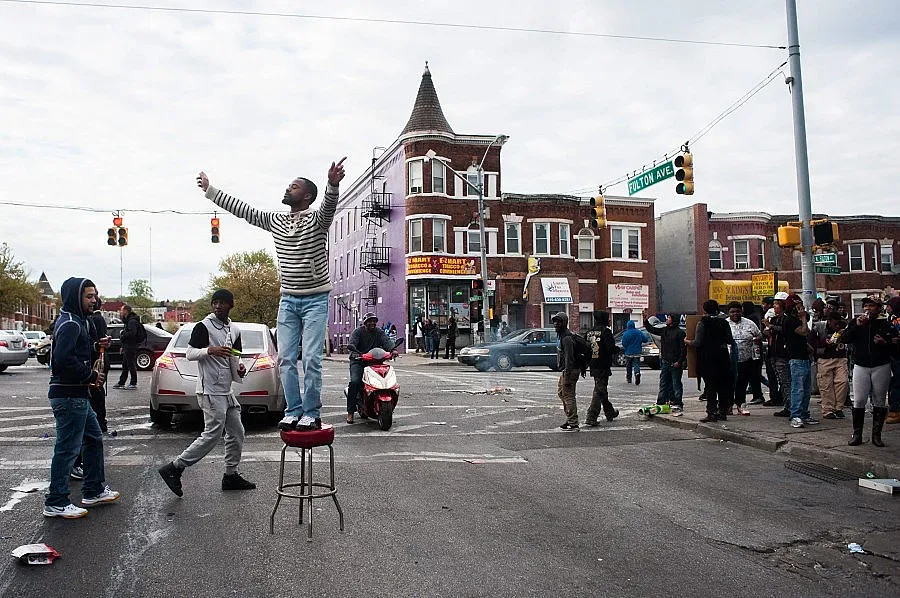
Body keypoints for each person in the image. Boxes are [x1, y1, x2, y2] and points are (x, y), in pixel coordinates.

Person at [197, 158, 346, 431]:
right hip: (288, 299)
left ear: (307, 196)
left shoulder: (317, 220)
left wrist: (332, 185)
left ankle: (311, 413)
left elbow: (328, 208)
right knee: (286, 359)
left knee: (311, 358)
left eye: (294, 187)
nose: (288, 189)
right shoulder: (275, 220)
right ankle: (293, 411)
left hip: (315, 299)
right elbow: (245, 211)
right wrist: (211, 191)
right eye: (289, 185)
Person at [158, 289, 255, 497]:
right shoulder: (204, 327)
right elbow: (190, 353)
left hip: (226, 391)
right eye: (215, 302)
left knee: (237, 432)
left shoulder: (234, 329)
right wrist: (210, 350)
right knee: (212, 435)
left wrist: (239, 369)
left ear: (231, 305)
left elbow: (235, 356)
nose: (218, 306)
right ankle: (175, 468)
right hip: (209, 391)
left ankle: (230, 475)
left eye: (222, 303)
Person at [44, 278, 120, 519]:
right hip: (68, 396)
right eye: (88, 296)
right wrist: (90, 374)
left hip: (77, 395)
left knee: (93, 438)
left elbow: (75, 352)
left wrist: (97, 344)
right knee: (67, 449)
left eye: (94, 295)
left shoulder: (77, 322)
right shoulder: (70, 324)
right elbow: (62, 360)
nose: (94, 300)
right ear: (75, 297)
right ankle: (56, 501)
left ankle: (94, 489)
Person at [839, 297, 898, 447]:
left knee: (879, 400)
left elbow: (896, 345)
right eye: (866, 306)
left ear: (878, 308)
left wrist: (885, 343)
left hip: (881, 365)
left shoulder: (886, 324)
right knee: (859, 400)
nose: (868, 308)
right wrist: (856, 326)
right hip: (861, 365)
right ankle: (857, 434)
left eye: (872, 306)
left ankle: (876, 435)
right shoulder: (856, 322)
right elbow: (844, 338)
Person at [687, 299, 734, 423]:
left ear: (704, 310)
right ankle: (723, 411)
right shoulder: (724, 323)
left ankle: (711, 412)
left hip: (707, 359)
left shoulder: (702, 323)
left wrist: (687, 342)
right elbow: (730, 340)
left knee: (711, 387)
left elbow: (698, 342)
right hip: (722, 358)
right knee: (723, 386)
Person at [347, 312, 395, 424]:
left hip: (374, 361)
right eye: (370, 321)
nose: (372, 323)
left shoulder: (379, 332)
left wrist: (393, 349)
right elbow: (352, 344)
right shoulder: (358, 332)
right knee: (355, 382)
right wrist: (355, 353)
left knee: (383, 377)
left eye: (374, 321)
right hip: (358, 360)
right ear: (365, 323)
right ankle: (350, 412)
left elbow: (387, 341)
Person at [643, 309, 686, 411]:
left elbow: (683, 349)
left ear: (673, 320)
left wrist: (679, 361)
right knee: (663, 382)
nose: (667, 319)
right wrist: (645, 321)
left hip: (675, 362)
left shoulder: (680, 333)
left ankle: (677, 402)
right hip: (665, 361)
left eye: (669, 317)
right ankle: (661, 401)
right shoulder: (665, 330)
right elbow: (652, 329)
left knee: (676, 383)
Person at [726, 301, 763, 416]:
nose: (735, 314)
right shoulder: (724, 324)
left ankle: (741, 404)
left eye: (737, 311)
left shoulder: (749, 323)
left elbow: (759, 335)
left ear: (741, 311)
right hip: (729, 360)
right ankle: (727, 406)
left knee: (742, 383)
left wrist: (756, 340)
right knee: (728, 384)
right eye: (732, 312)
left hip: (746, 359)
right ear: (729, 312)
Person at [810, 312, 848, 419]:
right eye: (834, 324)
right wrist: (824, 343)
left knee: (842, 382)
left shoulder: (844, 327)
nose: (836, 327)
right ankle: (828, 409)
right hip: (824, 358)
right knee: (826, 385)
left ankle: (838, 408)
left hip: (840, 357)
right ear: (829, 321)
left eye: (838, 324)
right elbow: (811, 342)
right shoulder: (819, 327)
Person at [584, 311, 619, 425]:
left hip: (593, 364)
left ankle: (609, 412)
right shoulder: (606, 332)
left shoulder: (589, 332)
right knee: (599, 391)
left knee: (601, 389)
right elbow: (611, 349)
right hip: (603, 364)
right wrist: (618, 350)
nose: (609, 320)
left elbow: (585, 348)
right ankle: (591, 416)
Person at [763, 293, 793, 415]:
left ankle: (790, 407)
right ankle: (787, 404)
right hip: (773, 353)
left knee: (786, 381)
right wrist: (767, 330)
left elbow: (785, 331)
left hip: (783, 353)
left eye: (776, 304)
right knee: (781, 381)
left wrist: (771, 326)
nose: (774, 307)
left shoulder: (787, 320)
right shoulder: (775, 319)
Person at [552, 312, 581, 430]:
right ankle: (570, 418)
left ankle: (573, 422)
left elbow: (570, 358)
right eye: (554, 322)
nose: (556, 324)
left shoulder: (567, 338)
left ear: (564, 323)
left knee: (568, 395)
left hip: (570, 371)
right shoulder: (562, 336)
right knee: (561, 392)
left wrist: (567, 376)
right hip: (566, 370)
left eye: (559, 322)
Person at [113, 304, 141, 389]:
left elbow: (132, 333)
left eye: (121, 310)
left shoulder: (132, 321)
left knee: (131, 364)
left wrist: (123, 334)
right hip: (127, 346)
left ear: (126, 311)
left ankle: (133, 383)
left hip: (131, 346)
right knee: (125, 365)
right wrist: (122, 346)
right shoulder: (128, 321)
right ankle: (121, 382)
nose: (120, 312)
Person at [620, 320, 649, 385]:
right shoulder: (639, 332)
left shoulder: (626, 333)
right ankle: (637, 373)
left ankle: (629, 378)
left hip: (629, 352)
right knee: (636, 364)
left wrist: (626, 348)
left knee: (628, 365)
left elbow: (624, 343)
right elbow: (645, 339)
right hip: (637, 351)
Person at [886, 296, 900, 425]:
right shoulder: (892, 319)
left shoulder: (896, 319)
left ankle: (895, 411)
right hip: (894, 355)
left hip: (897, 356)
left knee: (896, 383)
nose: (887, 308)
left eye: (888, 306)